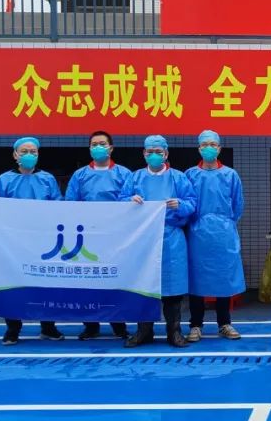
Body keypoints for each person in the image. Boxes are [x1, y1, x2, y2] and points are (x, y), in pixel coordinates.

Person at [120, 135, 197, 348]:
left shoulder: (178, 178)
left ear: (166, 154)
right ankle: (144, 331)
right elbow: (121, 201)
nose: (154, 155)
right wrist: (129, 201)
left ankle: (174, 332)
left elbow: (192, 203)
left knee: (173, 288)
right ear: (144, 154)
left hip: (171, 238)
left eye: (158, 152)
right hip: (144, 239)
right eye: (150, 152)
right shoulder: (135, 178)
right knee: (145, 286)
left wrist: (179, 204)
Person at [0, 137, 65, 345]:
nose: (29, 155)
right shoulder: (4, 180)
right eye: (24, 151)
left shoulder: (47, 179)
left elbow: (58, 206)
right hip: (12, 242)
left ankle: (48, 327)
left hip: (43, 242)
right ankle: (13, 328)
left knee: (45, 283)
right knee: (13, 284)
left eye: (33, 151)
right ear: (15, 155)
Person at [64, 130, 132, 341]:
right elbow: (70, 204)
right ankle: (90, 324)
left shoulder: (124, 174)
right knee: (89, 280)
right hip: (87, 236)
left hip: (116, 236)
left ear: (111, 148)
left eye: (102, 143)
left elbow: (131, 202)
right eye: (94, 144)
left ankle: (119, 324)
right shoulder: (80, 175)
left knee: (115, 279)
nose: (98, 147)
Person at [185, 130, 244, 341]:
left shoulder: (230, 175)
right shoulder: (190, 175)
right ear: (199, 148)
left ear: (219, 148)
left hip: (223, 233)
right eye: (204, 145)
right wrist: (197, 223)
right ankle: (195, 325)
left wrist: (224, 223)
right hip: (197, 234)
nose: (208, 148)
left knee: (223, 277)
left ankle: (224, 323)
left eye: (212, 144)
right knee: (197, 279)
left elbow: (237, 206)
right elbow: (186, 202)